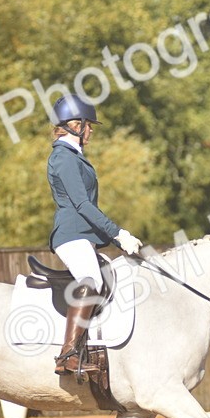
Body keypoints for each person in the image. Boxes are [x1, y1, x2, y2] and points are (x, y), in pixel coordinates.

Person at [46, 94, 144, 375]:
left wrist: (118, 240)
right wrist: (118, 233)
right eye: (88, 126)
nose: (91, 132)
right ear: (75, 125)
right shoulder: (63, 158)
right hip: (70, 233)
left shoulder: (74, 157)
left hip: (82, 234)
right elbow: (81, 205)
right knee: (91, 279)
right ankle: (67, 354)